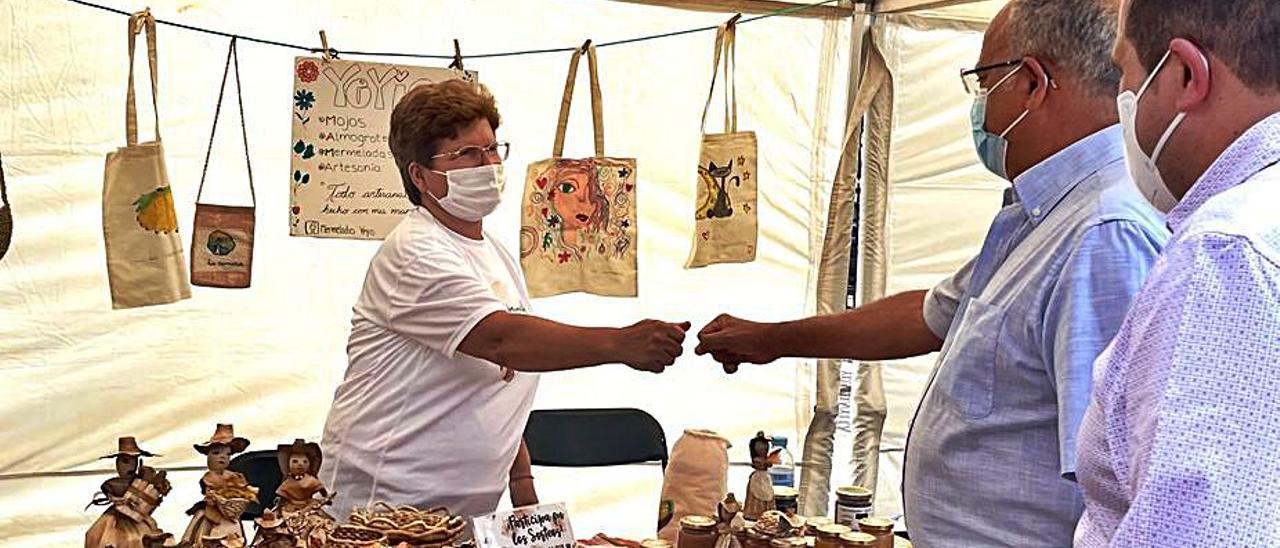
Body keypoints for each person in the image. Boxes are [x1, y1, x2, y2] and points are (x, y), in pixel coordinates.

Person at [695, 1, 1168, 545]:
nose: (982, 110)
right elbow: (931, 315)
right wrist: (771, 339)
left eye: (985, 83)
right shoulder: (1046, 214)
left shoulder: (1103, 232)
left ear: (1033, 83)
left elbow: (1113, 483)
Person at [320, 79, 689, 520]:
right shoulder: (415, 251)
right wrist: (620, 344)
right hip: (384, 506)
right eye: (468, 155)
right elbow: (501, 341)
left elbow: (500, 380)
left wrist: (522, 483)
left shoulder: (491, 252)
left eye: (493, 149)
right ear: (419, 175)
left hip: (462, 514)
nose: (490, 164)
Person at [1074, 0, 1280, 545]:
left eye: (1126, 73)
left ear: (1187, 74)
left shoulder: (1227, 251)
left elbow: (1197, 531)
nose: (1124, 101)